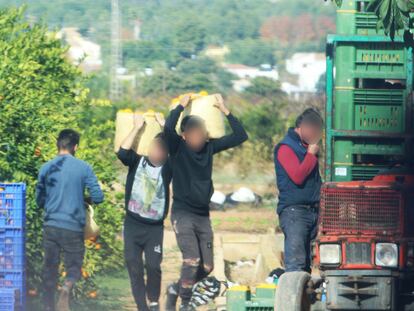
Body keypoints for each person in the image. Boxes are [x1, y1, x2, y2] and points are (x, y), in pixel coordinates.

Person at [164, 94, 248, 311]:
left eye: (201, 134)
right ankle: (185, 303)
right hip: (182, 214)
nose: (198, 138)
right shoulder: (177, 148)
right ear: (184, 136)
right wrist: (181, 106)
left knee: (207, 266)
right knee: (191, 260)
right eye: (193, 134)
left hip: (203, 216)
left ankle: (176, 288)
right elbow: (167, 129)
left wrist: (224, 109)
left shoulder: (210, 148)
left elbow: (240, 136)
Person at [36, 129, 104, 311]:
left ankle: (48, 307)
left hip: (51, 225)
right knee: (74, 266)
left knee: (50, 268)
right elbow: (98, 197)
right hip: (73, 226)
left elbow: (39, 201)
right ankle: (66, 287)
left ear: (58, 145)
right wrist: (84, 199)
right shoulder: (84, 167)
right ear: (75, 147)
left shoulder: (46, 168)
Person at [117, 113, 171, 311]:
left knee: (154, 267)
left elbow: (180, 151)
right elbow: (122, 151)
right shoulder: (136, 161)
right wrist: (137, 127)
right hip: (132, 224)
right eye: (154, 147)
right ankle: (142, 306)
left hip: (154, 228)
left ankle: (154, 300)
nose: (156, 152)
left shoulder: (168, 168)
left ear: (166, 154)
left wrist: (165, 125)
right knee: (134, 267)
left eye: (161, 149)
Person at [274, 108, 323, 273]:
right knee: (296, 264)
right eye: (313, 130)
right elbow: (297, 176)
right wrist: (310, 156)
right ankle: (292, 296)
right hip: (295, 212)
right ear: (302, 127)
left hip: (312, 211)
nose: (316, 134)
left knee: (307, 264)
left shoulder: (305, 146)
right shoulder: (285, 148)